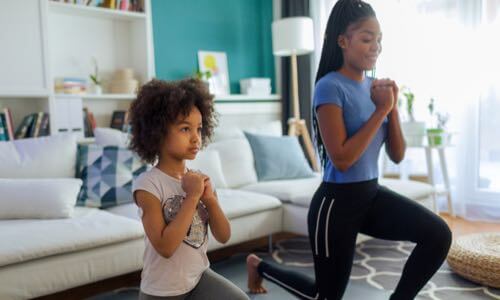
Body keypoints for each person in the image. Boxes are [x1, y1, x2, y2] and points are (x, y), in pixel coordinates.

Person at [247, 0, 452, 299]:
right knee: (325, 296)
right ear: (343, 41)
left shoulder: (377, 89)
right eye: (367, 39)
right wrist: (381, 111)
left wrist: (392, 108)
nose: (376, 47)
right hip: (336, 205)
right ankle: (259, 266)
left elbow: (397, 155)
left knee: (438, 235)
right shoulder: (330, 87)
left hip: (371, 195)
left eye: (379, 39)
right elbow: (341, 159)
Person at [129, 79, 249, 300]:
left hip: (198, 277)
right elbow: (165, 247)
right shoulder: (148, 186)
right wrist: (193, 197)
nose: (196, 138)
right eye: (185, 128)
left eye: (199, 129)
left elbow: (224, 236)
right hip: (161, 291)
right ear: (158, 132)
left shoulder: (198, 180)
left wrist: (210, 200)